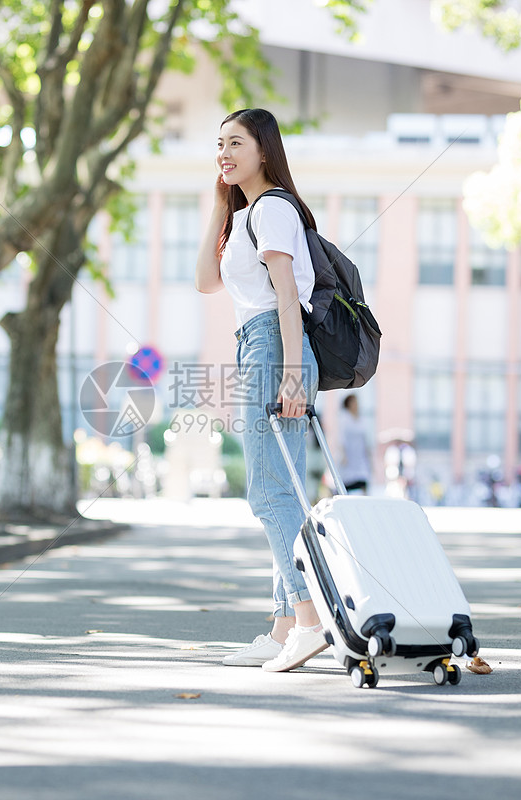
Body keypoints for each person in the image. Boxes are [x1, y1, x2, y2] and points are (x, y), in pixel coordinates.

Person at [196, 108, 327, 672]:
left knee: (267, 493)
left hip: (275, 347)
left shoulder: (273, 208)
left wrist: (293, 373)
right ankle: (282, 629)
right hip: (263, 346)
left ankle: (309, 620)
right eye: (219, 144)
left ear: (265, 150)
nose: (223, 153)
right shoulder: (249, 212)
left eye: (235, 143)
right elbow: (206, 281)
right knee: (286, 494)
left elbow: (284, 297)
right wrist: (221, 203)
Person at [338, 394, 371, 494]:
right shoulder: (344, 418)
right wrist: (343, 454)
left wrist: (368, 455)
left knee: (363, 480)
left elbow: (365, 439)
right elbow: (341, 437)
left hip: (360, 455)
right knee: (348, 482)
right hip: (348, 455)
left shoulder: (362, 419)